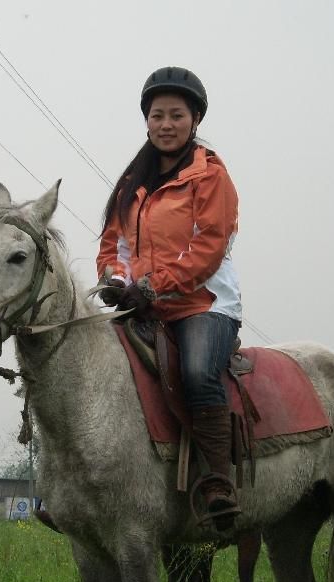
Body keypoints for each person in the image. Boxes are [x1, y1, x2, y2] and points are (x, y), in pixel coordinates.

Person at [96, 67, 243, 530]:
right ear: (146, 121)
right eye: (156, 115)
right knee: (92, 366)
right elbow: (113, 246)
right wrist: (114, 280)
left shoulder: (211, 175)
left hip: (204, 304)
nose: (165, 124)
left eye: (176, 115)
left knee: (198, 371)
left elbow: (208, 246)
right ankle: (88, 484)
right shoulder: (131, 184)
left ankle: (218, 482)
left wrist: (156, 284)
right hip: (144, 304)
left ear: (194, 118)